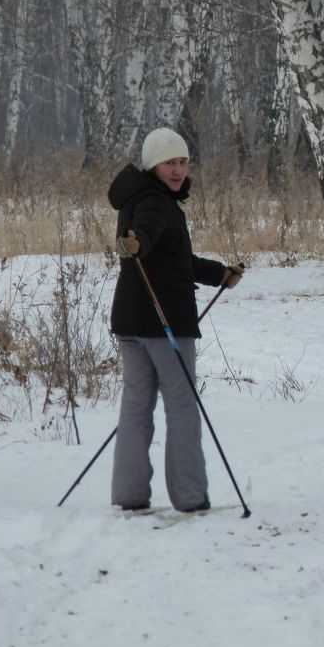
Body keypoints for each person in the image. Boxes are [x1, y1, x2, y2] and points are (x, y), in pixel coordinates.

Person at [107, 127, 243, 512]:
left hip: (131, 320)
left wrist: (220, 274)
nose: (178, 169)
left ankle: (130, 495)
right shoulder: (154, 203)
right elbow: (145, 237)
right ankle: (189, 496)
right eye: (170, 162)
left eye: (183, 161)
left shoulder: (138, 199)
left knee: (136, 406)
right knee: (182, 406)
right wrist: (136, 242)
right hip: (164, 322)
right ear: (153, 164)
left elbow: (173, 260)